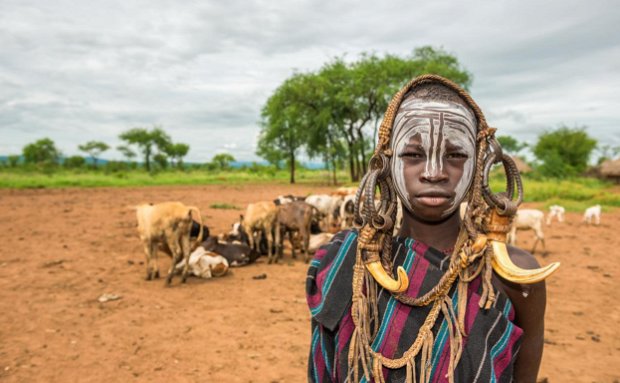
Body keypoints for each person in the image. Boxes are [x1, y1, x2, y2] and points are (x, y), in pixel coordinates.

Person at [306, 75, 557, 382]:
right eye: (413, 155)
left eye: (455, 155)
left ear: (480, 163)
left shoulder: (514, 275)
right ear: (385, 163)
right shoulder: (346, 264)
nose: (435, 173)